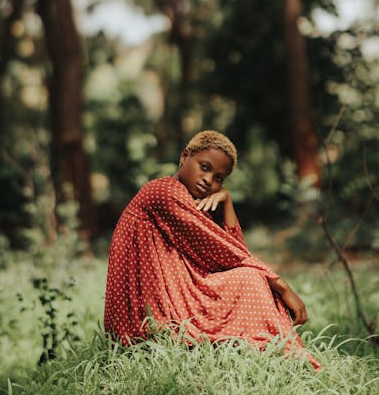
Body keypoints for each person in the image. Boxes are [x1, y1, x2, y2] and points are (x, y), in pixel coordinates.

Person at [104, 130, 319, 369]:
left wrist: (226, 199)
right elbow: (224, 252)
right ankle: (284, 356)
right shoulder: (164, 192)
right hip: (150, 312)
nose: (209, 180)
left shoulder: (187, 197)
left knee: (251, 277)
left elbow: (234, 249)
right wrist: (282, 285)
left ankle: (279, 356)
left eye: (219, 178)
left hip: (177, 289)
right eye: (204, 167)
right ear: (185, 156)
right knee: (253, 278)